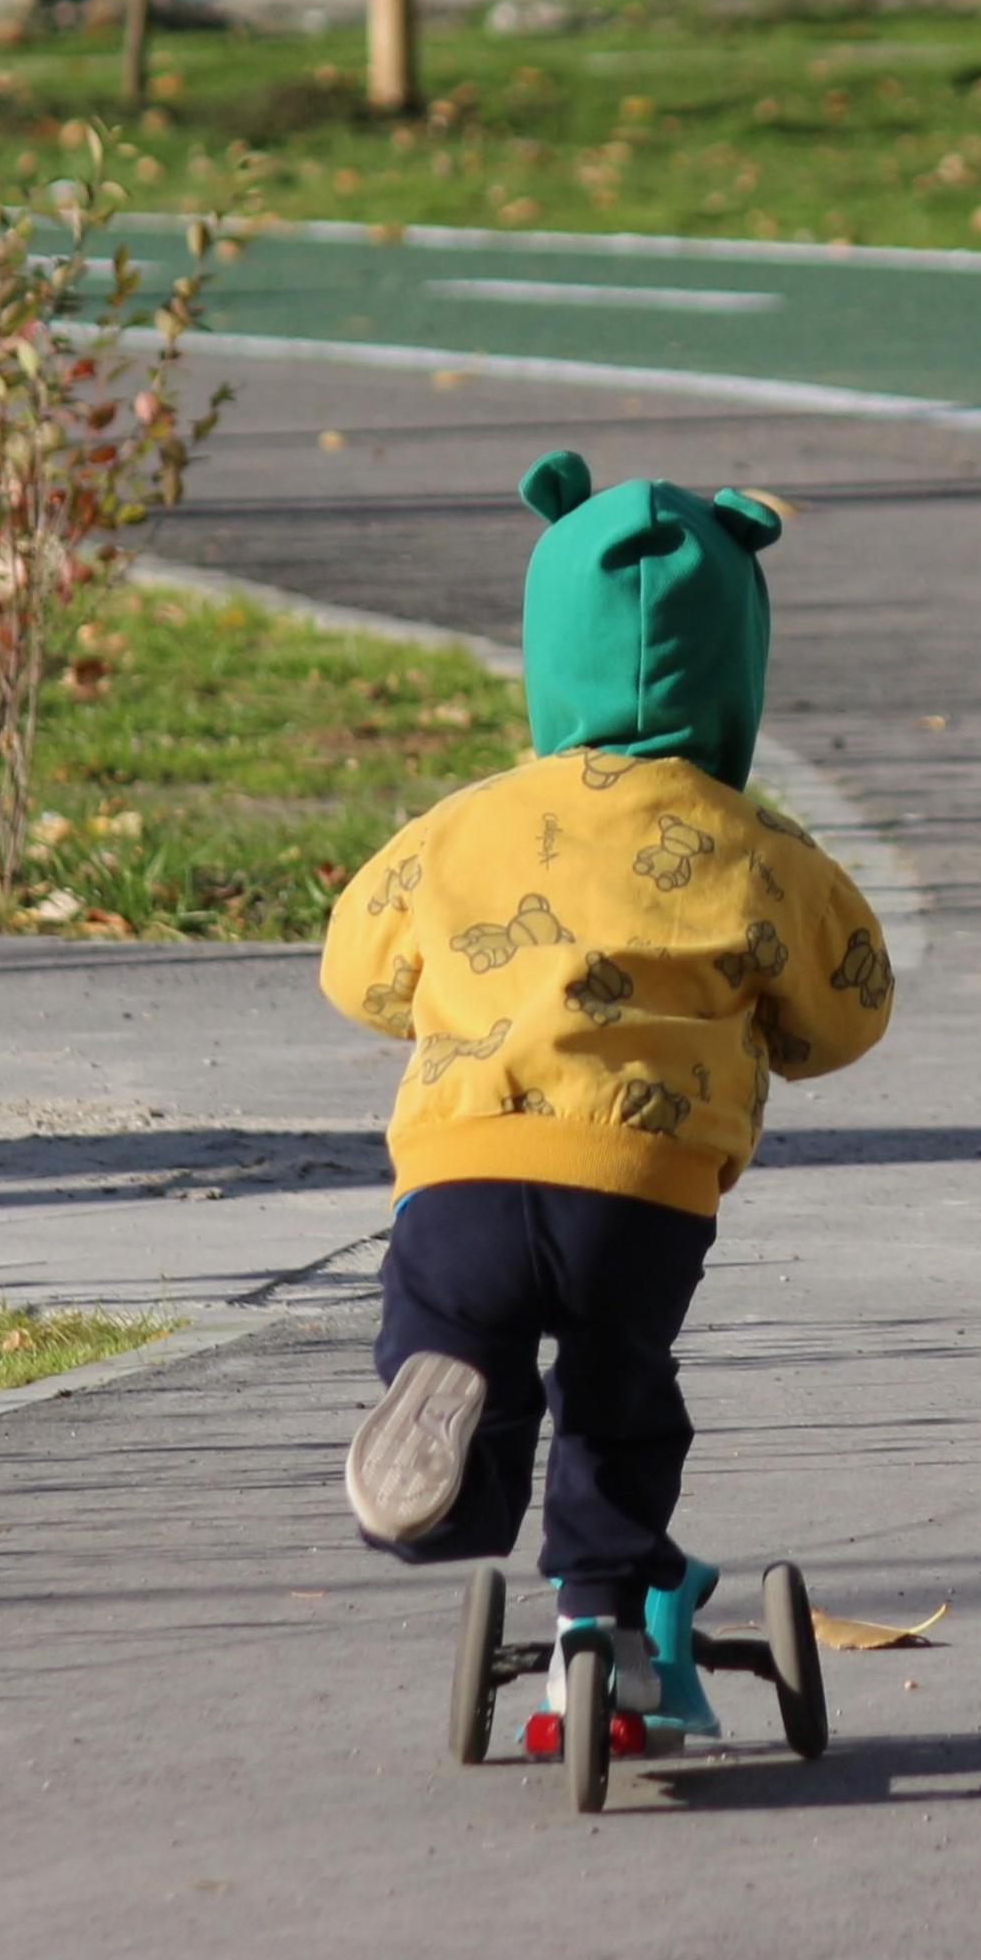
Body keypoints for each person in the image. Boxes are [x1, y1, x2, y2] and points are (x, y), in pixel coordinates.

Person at [321, 449, 896, 1742]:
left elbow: (354, 960)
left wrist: (440, 1000)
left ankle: (447, 1406)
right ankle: (602, 1597)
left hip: (460, 1168)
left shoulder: (463, 826)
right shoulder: (756, 849)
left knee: (462, 1335)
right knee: (619, 1390)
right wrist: (774, 1032)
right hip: (636, 1188)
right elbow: (853, 1001)